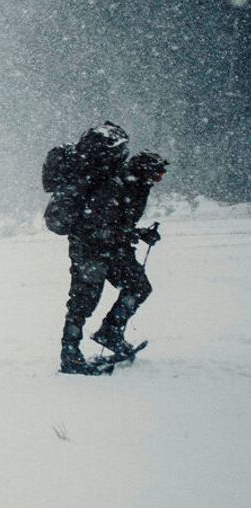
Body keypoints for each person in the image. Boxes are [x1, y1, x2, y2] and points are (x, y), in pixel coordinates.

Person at [61, 150, 167, 374]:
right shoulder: (113, 186)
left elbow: (118, 224)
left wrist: (139, 233)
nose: (159, 179)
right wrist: (133, 235)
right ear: (145, 170)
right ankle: (70, 355)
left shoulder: (137, 186)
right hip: (89, 250)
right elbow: (98, 225)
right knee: (84, 301)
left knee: (139, 287)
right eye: (157, 174)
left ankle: (110, 332)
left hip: (114, 248)